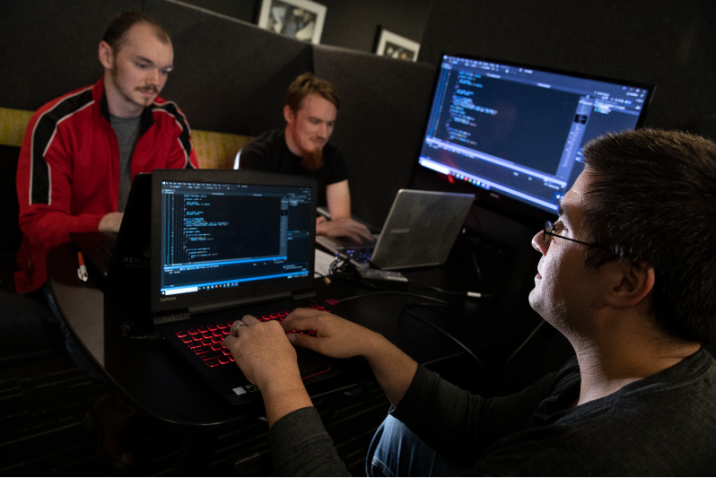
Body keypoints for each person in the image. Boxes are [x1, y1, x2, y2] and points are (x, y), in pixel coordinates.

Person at [222, 129, 716, 476]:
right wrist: (372, 345)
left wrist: (280, 384)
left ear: (626, 284)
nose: (539, 240)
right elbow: (478, 426)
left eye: (564, 227)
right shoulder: (634, 363)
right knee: (399, 431)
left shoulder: (585, 457)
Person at [14, 11, 198, 469]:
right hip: (63, 260)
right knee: (117, 358)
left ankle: (133, 409)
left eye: (165, 70)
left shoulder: (171, 122)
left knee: (188, 326)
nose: (155, 80)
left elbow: (188, 198)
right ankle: (115, 414)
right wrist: (105, 223)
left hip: (137, 255)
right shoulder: (56, 121)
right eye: (143, 64)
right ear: (106, 54)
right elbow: (36, 223)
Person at [236, 72, 373, 243]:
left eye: (330, 124)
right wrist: (314, 227)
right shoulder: (258, 156)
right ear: (289, 115)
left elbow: (341, 224)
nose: (323, 134)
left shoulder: (333, 158)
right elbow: (253, 225)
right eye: (315, 122)